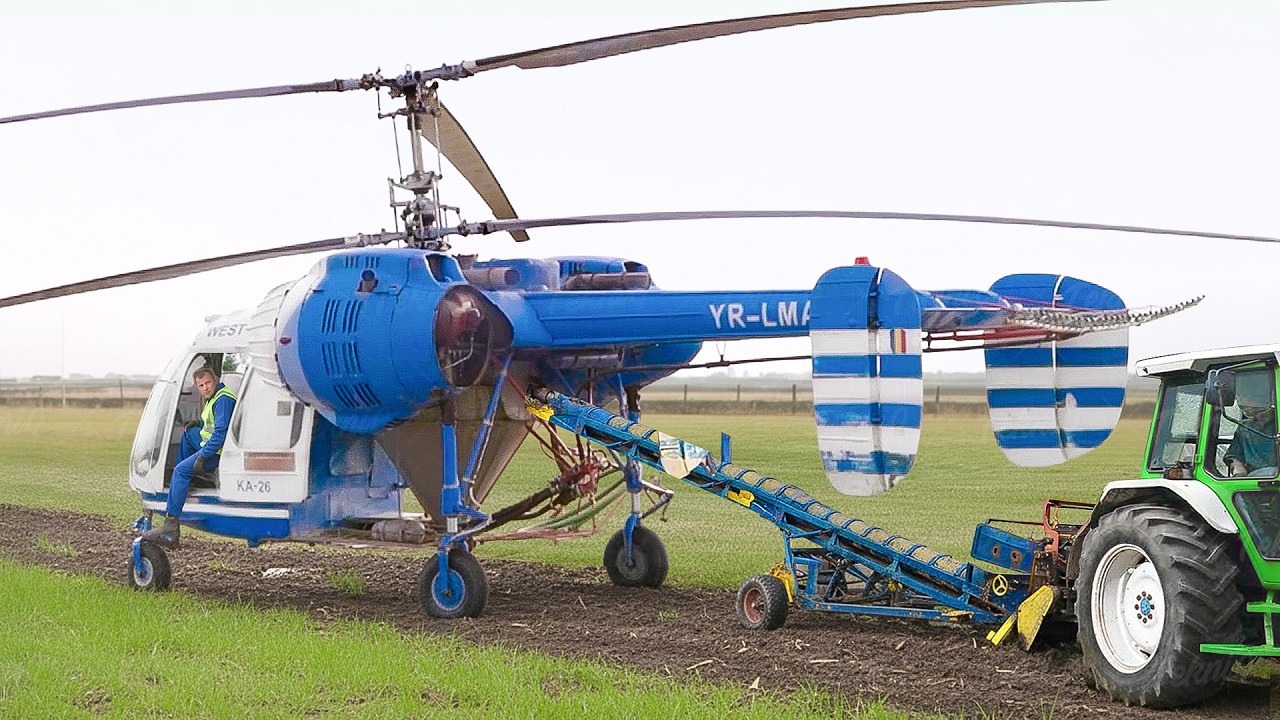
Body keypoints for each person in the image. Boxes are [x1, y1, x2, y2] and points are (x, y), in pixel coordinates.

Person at [142, 366, 237, 547]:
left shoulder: (223, 399)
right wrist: (197, 424)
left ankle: (171, 526)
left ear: (215, 380)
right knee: (189, 433)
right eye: (201, 385)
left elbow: (220, 434)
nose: (205, 388)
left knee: (180, 470)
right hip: (210, 445)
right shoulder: (215, 396)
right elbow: (210, 423)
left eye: (208, 383)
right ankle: (187, 480)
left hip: (217, 452)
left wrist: (202, 456)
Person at [1224, 381, 1277, 477]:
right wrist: (1237, 465)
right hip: (1255, 477)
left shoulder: (1277, 423)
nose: (1243, 401)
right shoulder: (1245, 427)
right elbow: (1233, 455)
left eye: (1247, 398)